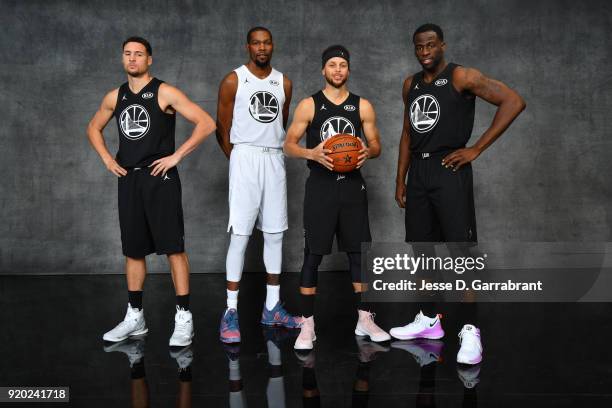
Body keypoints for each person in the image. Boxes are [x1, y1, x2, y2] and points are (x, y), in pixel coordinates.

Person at [390, 24, 526, 365]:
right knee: (421, 251)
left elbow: (513, 101)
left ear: (443, 46)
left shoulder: (462, 76)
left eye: (431, 45)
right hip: (419, 173)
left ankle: (470, 330)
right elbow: (407, 133)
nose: (424, 52)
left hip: (450, 169)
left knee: (460, 253)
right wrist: (400, 179)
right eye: (419, 47)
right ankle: (428, 320)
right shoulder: (410, 84)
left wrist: (476, 148)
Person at [87, 36, 216, 347]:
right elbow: (93, 128)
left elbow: (206, 123)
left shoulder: (164, 91)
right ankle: (135, 316)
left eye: (139, 54)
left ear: (150, 59)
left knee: (173, 248)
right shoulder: (114, 97)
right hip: (129, 180)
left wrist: (176, 156)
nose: (132, 59)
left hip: (161, 179)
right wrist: (107, 159)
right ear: (122, 59)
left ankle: (184, 317)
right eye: (127, 54)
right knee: (133, 250)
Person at [284, 45, 390, 350]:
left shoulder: (362, 106)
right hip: (320, 187)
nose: (338, 70)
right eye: (332, 64)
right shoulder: (309, 105)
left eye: (343, 64)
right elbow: (288, 145)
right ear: (323, 70)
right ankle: (308, 324)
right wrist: (311, 153)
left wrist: (368, 151)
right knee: (312, 256)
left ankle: (365, 318)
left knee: (359, 255)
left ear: (348, 69)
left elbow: (377, 144)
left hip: (352, 187)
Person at [216, 27, 299, 344]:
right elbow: (220, 128)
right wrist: (237, 158)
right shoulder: (234, 80)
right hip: (245, 157)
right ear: (248, 46)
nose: (262, 47)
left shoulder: (284, 82)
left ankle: (272, 307)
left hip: (274, 159)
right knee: (240, 235)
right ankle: (230, 311)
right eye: (256, 43)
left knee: (275, 234)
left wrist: (267, 155)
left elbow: (281, 124)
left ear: (272, 46)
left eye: (266, 42)